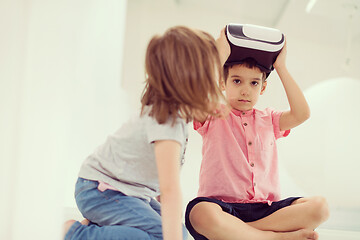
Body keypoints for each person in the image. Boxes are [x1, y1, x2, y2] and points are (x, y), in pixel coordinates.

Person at [63, 25, 229, 240]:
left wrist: (222, 49)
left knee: (178, 233)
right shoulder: (167, 121)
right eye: (213, 81)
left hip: (129, 193)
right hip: (100, 191)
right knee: (162, 237)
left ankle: (99, 225)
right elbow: (169, 192)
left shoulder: (174, 109)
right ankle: (77, 234)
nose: (219, 86)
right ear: (192, 81)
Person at [184, 34, 330, 240]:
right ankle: (274, 237)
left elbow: (302, 114)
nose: (245, 90)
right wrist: (220, 54)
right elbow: (194, 94)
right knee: (199, 213)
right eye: (237, 81)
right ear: (222, 84)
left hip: (266, 210)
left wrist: (281, 67)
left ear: (262, 88)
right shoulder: (213, 114)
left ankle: (241, 233)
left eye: (253, 83)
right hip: (222, 208)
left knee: (320, 208)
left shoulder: (270, 119)